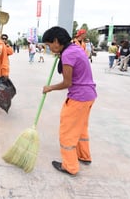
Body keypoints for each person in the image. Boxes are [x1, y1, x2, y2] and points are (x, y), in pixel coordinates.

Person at [42, 26, 97, 176]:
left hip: (78, 98)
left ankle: (70, 166)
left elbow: (67, 83)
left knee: (67, 132)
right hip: (89, 95)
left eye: (48, 45)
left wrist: (50, 88)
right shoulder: (75, 48)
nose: (49, 48)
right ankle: (84, 156)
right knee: (81, 128)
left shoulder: (68, 54)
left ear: (56, 41)